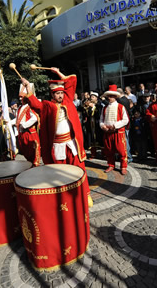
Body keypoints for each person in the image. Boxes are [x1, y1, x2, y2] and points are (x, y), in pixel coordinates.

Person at [21, 67, 92, 207]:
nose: (60, 95)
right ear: (52, 94)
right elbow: (35, 104)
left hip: (72, 143)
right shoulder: (47, 106)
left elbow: (72, 81)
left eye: (61, 93)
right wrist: (28, 86)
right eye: (57, 93)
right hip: (57, 146)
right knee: (59, 173)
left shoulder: (68, 100)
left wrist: (58, 72)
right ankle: (64, 198)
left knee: (79, 168)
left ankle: (85, 195)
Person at [100, 84, 130, 175]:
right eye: (108, 96)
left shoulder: (121, 107)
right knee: (108, 150)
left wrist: (115, 125)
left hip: (118, 132)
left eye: (112, 96)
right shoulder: (104, 108)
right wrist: (102, 126)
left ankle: (123, 167)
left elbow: (126, 120)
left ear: (116, 97)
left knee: (121, 150)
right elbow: (101, 119)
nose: (110, 98)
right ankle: (111, 165)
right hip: (107, 132)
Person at [13, 83, 41, 166]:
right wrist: (9, 122)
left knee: (33, 154)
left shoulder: (30, 106)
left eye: (22, 96)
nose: (20, 98)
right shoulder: (20, 108)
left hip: (30, 133)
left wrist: (24, 125)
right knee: (26, 153)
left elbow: (35, 118)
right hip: (22, 133)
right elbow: (18, 119)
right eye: (20, 96)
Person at [84, 91, 103, 159]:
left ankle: (103, 154)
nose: (91, 98)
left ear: (96, 98)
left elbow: (99, 114)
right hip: (90, 125)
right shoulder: (89, 105)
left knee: (100, 138)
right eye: (91, 97)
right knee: (91, 139)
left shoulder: (99, 105)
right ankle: (93, 154)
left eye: (93, 97)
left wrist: (94, 107)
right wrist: (87, 108)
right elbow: (87, 115)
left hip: (97, 124)